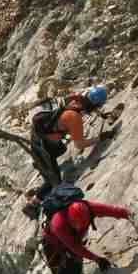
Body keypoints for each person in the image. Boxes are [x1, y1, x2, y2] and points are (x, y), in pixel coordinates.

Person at [23, 85, 116, 218]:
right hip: (44, 147)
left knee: (62, 148)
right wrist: (100, 138)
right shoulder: (74, 118)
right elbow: (80, 144)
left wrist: (101, 114)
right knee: (54, 182)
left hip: (38, 137)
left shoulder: (74, 100)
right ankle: (32, 205)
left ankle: (43, 164)